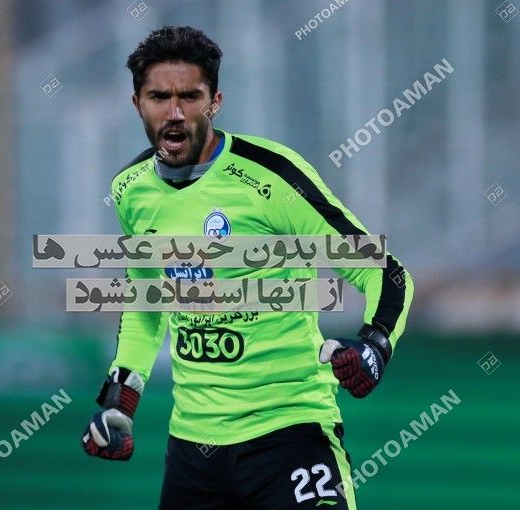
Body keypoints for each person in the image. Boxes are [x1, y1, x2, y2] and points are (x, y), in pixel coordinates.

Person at [81, 25, 413, 510]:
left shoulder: (272, 177)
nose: (175, 113)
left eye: (190, 97)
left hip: (289, 435)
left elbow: (386, 272)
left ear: (215, 102)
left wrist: (374, 344)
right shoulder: (131, 190)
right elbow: (147, 304)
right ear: (137, 104)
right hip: (193, 450)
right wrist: (120, 402)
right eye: (159, 97)